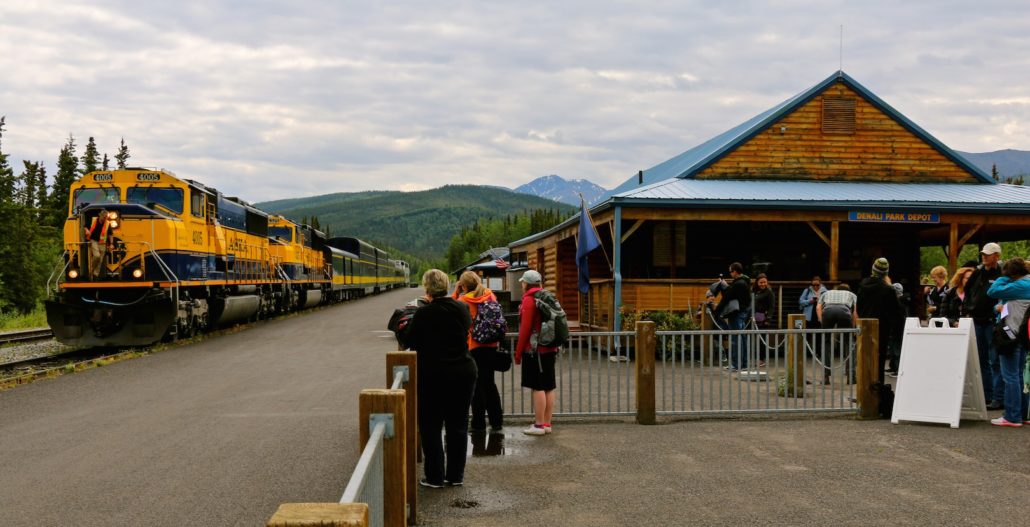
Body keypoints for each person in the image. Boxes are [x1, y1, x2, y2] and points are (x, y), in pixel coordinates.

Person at [404, 269, 477, 488]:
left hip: (433, 374)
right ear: (448, 285)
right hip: (463, 371)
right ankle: (455, 476)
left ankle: (434, 476)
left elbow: (409, 339)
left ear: (427, 288)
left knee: (431, 425)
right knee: (458, 424)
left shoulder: (424, 313)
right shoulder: (462, 308)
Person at [453, 271, 504, 433]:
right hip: (491, 345)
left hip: (474, 347)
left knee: (477, 387)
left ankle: (478, 424)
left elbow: (452, 308)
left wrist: (456, 292)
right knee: (490, 384)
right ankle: (497, 422)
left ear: (464, 286)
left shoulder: (463, 301)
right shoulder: (490, 295)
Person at [514, 269, 559, 436]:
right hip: (550, 347)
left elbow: (525, 329)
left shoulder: (529, 300)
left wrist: (518, 353)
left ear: (527, 283)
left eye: (523, 282)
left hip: (534, 349)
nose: (522, 285)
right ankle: (547, 423)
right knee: (549, 385)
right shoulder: (546, 297)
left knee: (537, 386)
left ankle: (538, 425)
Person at [986, 257, 1030, 427]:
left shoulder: (1020, 285)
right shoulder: (1024, 284)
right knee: (1019, 376)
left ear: (1013, 275)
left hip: (1010, 335)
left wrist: (1002, 277)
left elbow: (992, 291)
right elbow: (1005, 304)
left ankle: (1012, 416)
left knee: (1010, 376)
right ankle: (1023, 414)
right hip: (1023, 334)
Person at [963, 243, 1004, 410]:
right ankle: (986, 396)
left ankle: (998, 397)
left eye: (988, 254)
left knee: (995, 360)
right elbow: (966, 290)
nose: (984, 256)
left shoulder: (1002, 274)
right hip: (977, 321)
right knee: (981, 360)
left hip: (992, 322)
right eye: (983, 254)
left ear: (997, 256)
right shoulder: (977, 273)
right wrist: (967, 310)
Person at [856, 258, 901, 383]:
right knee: (879, 360)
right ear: (885, 273)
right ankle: (877, 390)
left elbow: (858, 307)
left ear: (873, 270)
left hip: (864, 326)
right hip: (882, 329)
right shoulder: (888, 289)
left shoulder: (862, 286)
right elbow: (896, 313)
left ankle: (864, 389)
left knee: (865, 359)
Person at [817, 284, 858, 384]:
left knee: (826, 342)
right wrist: (854, 327)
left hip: (827, 311)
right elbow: (855, 312)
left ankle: (826, 377)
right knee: (848, 342)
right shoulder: (851, 294)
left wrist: (822, 321)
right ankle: (851, 377)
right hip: (844, 311)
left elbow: (818, 307)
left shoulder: (826, 292)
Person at [715, 262, 752, 371]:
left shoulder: (738, 283)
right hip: (744, 312)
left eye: (731, 271)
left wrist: (717, 312)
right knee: (742, 337)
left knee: (735, 338)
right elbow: (732, 292)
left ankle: (736, 365)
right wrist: (726, 286)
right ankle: (744, 364)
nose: (730, 273)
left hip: (736, 312)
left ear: (735, 271)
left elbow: (727, 297)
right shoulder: (745, 281)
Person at [84, 208, 113, 280]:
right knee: (97, 256)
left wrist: (111, 244)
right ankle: (91, 270)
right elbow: (85, 226)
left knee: (100, 261)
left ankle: (95, 275)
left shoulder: (108, 223)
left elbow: (110, 234)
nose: (105, 218)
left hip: (103, 243)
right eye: (104, 217)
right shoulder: (93, 220)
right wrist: (87, 231)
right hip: (93, 240)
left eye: (106, 217)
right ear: (100, 215)